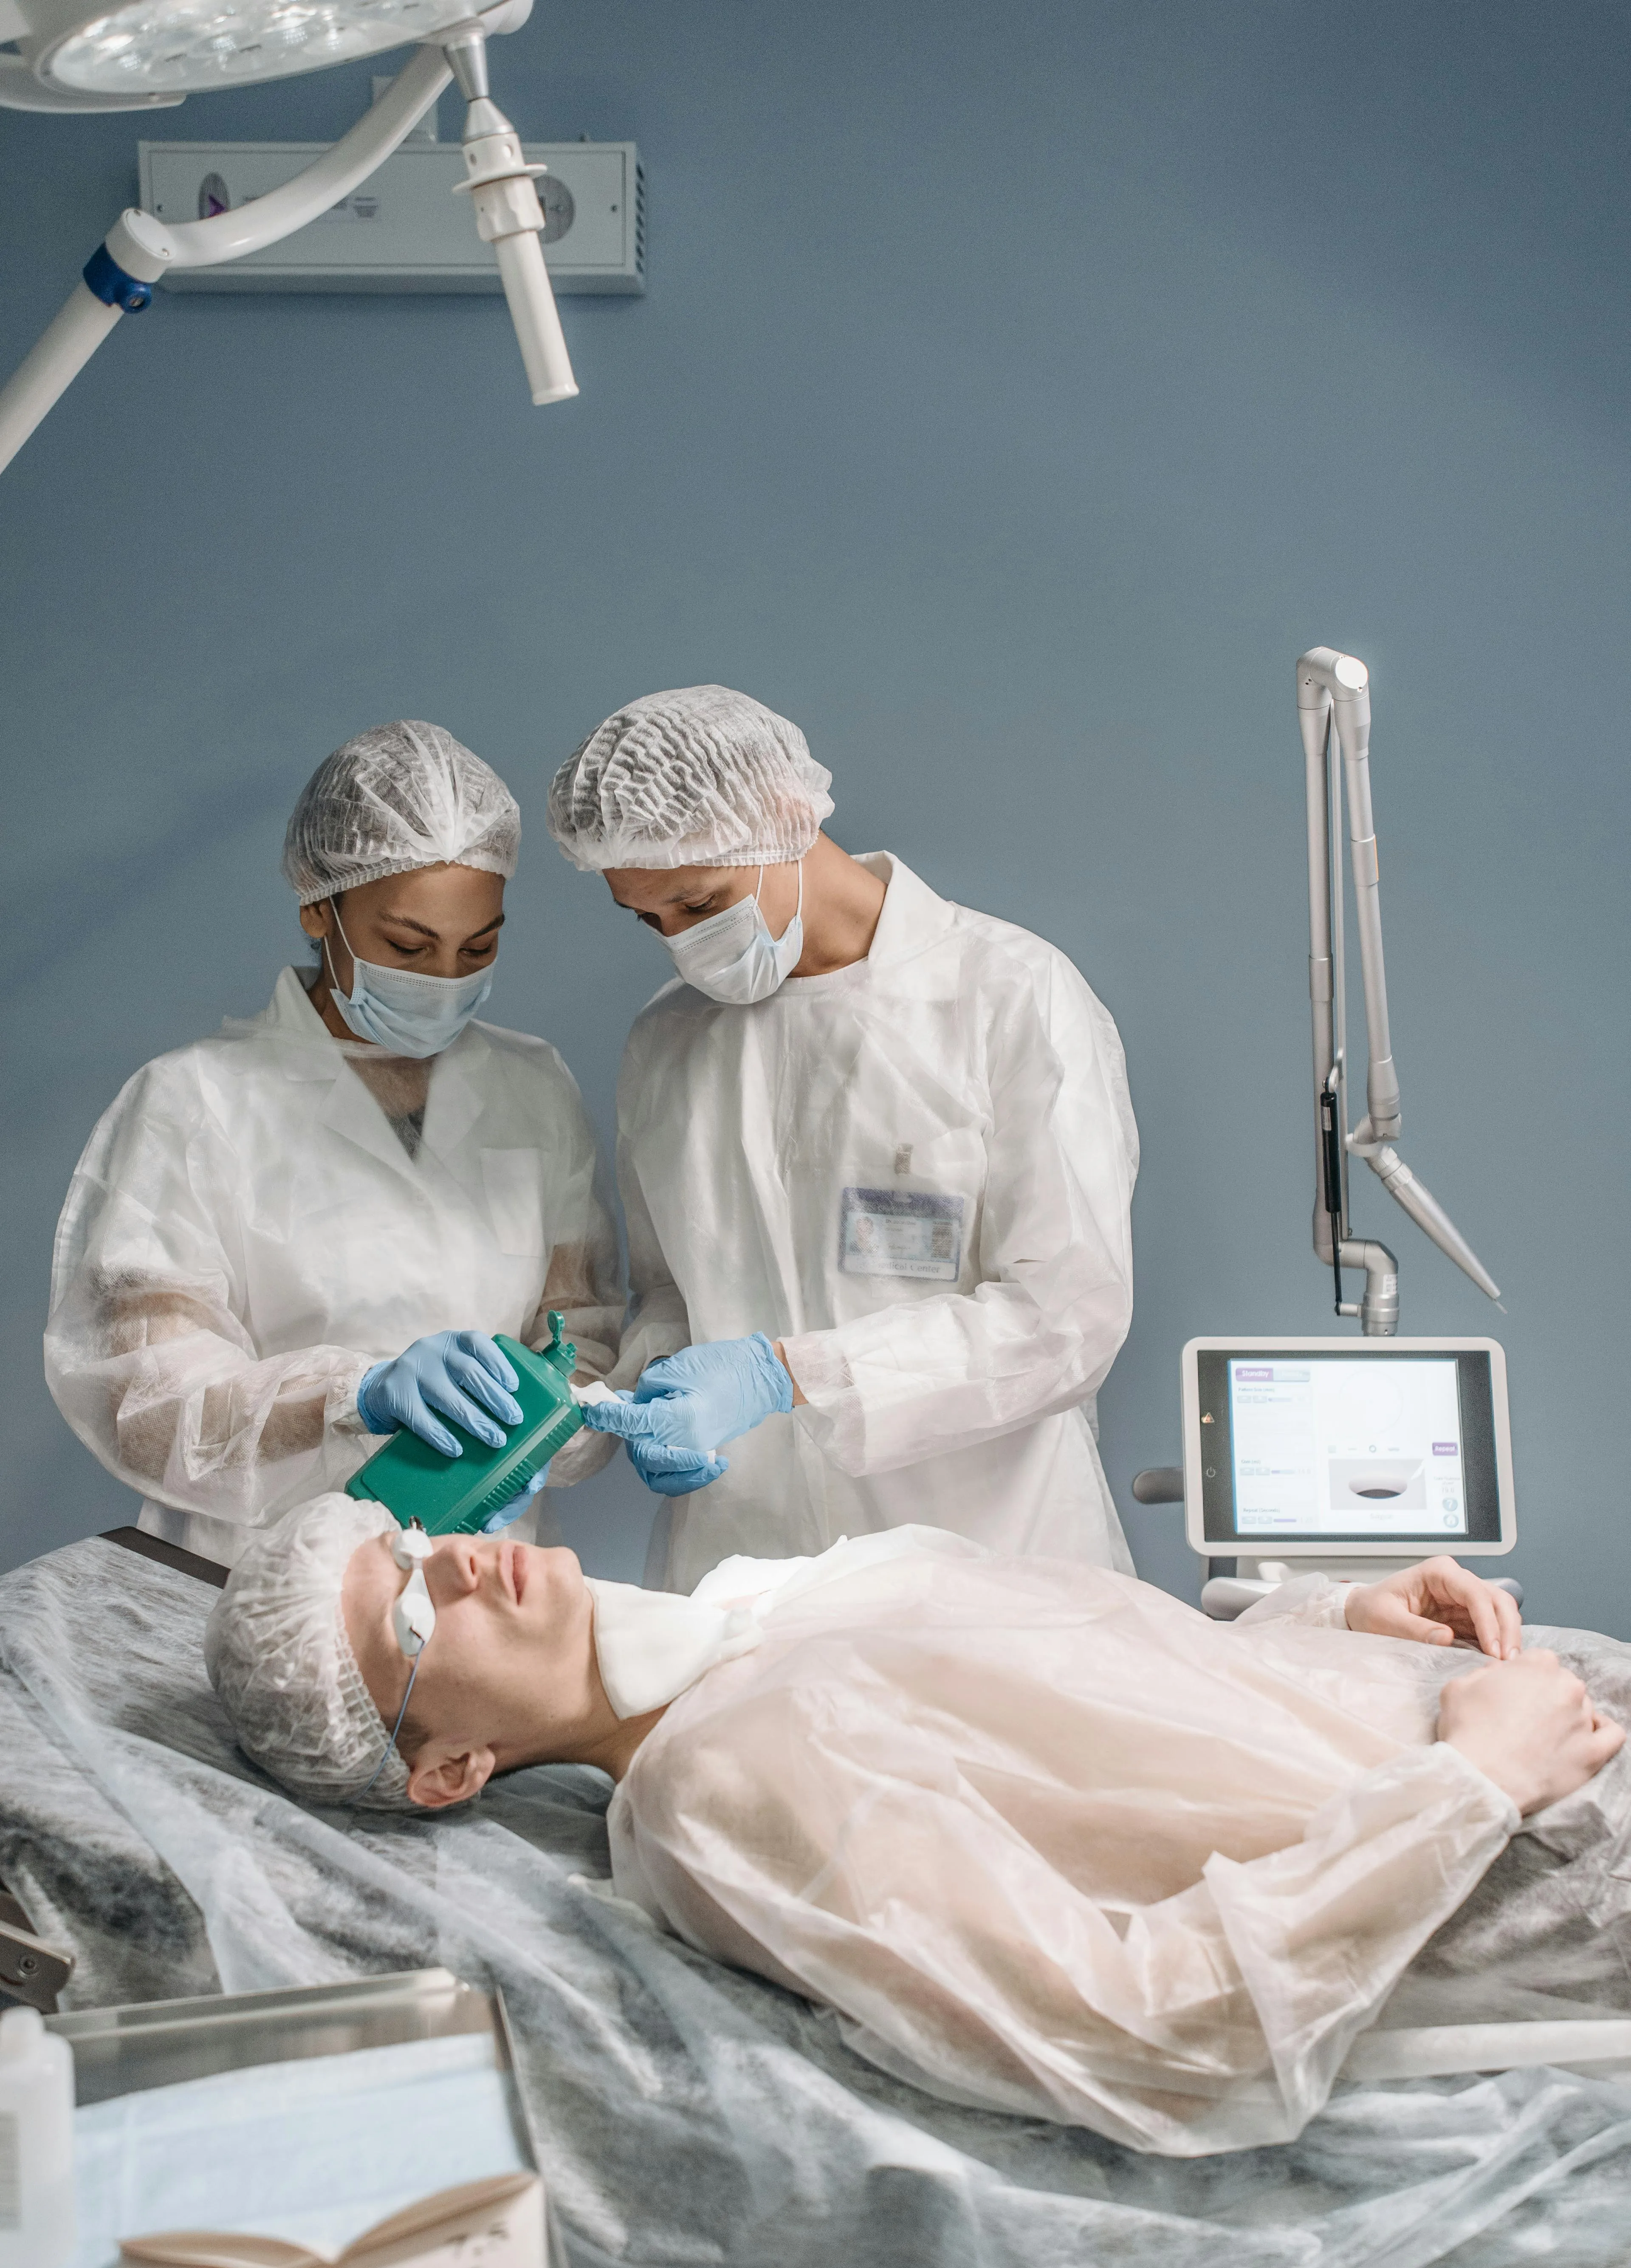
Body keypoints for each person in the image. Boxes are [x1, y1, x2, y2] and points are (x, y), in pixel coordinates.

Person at [206, 1496, 1625, 2157]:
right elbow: (1139, 2028)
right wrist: (1472, 1788)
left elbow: (1081, 1693)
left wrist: (1326, 1625)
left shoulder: (752, 1605)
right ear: (451, 1770)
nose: (453, 1556)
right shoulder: (722, 1785)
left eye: (403, 1532)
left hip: (1503, 1704)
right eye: (408, 1607)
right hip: (1538, 1860)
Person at [545, 685, 1138, 1593]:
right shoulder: (667, 1043)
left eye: (700, 902)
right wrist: (651, 1383)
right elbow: (674, 1291)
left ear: (787, 816)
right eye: (650, 918)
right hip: (742, 1571)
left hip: (985, 1571)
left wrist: (790, 1373)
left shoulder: (1009, 995)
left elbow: (1067, 1318)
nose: (681, 944)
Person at [47, 720, 619, 1566]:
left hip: (480, 1585)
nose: (445, 979)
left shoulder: (532, 1090)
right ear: (320, 905)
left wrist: (550, 1433)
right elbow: (141, 1399)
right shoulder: (195, 1101)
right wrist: (355, 1394)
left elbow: (582, 1338)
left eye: (480, 946)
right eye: (406, 945)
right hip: (247, 1585)